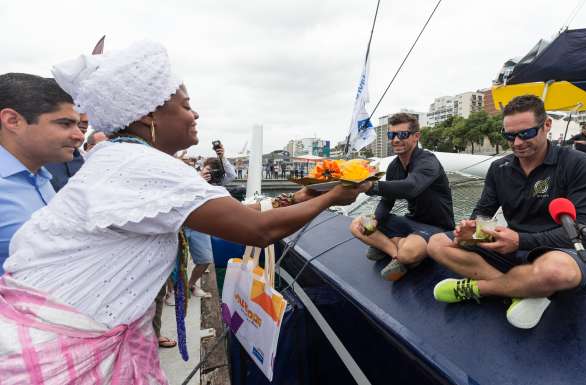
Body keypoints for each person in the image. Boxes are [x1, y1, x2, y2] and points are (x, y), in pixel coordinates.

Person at [0, 41, 368, 383]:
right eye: (185, 104)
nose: (195, 114)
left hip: (50, 332)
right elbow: (257, 229)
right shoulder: (140, 164)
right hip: (57, 349)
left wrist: (302, 195)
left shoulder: (119, 158)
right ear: (149, 116)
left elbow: (227, 212)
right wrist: (330, 198)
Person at [426, 95, 586, 329]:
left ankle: (480, 288)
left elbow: (584, 230)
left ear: (546, 125)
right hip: (513, 250)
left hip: (564, 251)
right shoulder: (499, 168)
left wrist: (520, 240)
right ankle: (519, 290)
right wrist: (473, 231)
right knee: (437, 243)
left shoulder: (579, 164)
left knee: (555, 271)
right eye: (509, 136)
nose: (517, 142)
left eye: (526, 133)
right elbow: (484, 213)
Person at [350, 112, 454, 281]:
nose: (396, 139)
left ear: (416, 137)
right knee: (357, 225)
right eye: (392, 135)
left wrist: (371, 186)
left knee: (409, 252)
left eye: (402, 134)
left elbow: (410, 188)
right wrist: (376, 219)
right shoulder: (394, 167)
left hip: (437, 227)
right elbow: (387, 200)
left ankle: (392, 247)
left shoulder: (428, 161)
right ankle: (395, 253)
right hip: (410, 221)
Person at [0, 73, 83, 274]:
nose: (79, 136)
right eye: (65, 123)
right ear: (12, 120)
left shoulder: (42, 178)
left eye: (78, 125)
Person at [43, 113, 88, 191]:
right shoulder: (36, 161)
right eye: (66, 124)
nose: (81, 137)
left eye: (83, 131)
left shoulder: (81, 160)